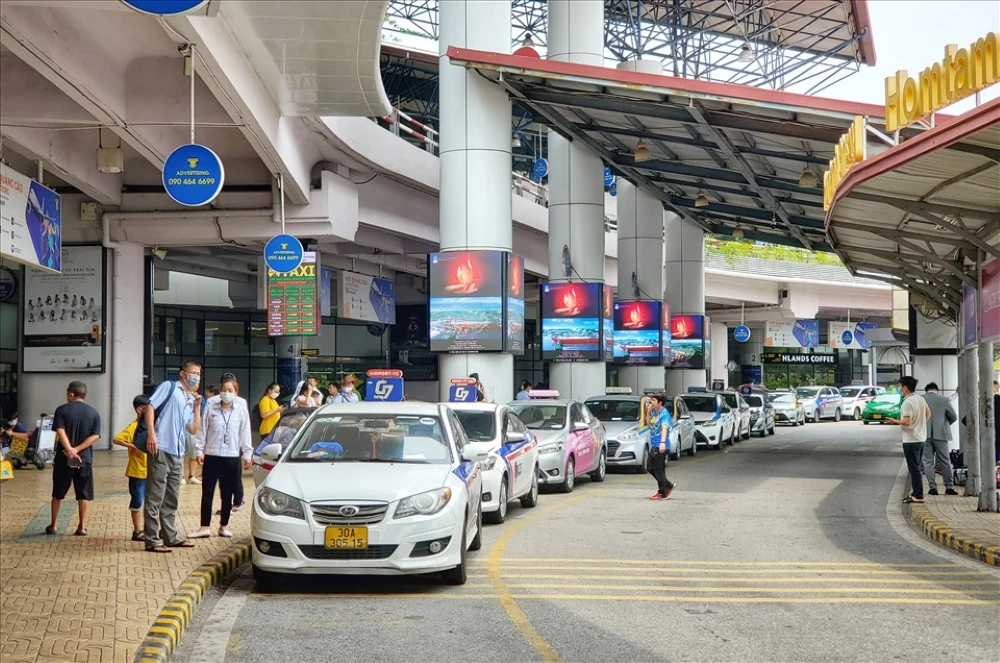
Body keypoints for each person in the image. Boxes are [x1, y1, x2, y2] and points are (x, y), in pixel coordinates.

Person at [144, 361, 203, 553]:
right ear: (183, 374)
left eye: (199, 373)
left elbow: (193, 428)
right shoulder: (169, 387)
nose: (196, 376)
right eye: (193, 372)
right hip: (161, 447)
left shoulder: (188, 398)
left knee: (171, 498)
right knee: (155, 496)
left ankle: (170, 537)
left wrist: (196, 407)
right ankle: (152, 540)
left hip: (178, 453)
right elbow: (150, 406)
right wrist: (152, 434)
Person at [191, 377, 253, 539]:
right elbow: (202, 429)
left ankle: (223, 526)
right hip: (212, 455)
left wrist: (247, 454)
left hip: (231, 456)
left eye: (230, 390)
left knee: (227, 494)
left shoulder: (241, 410)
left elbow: (245, 433)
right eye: (224, 390)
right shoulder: (212, 407)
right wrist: (199, 450)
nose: (227, 393)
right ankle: (204, 526)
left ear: (236, 392)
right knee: (207, 493)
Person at [46, 381, 101, 536]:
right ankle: (82, 527)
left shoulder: (61, 410)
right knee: (83, 494)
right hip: (84, 458)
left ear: (71, 394)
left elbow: (60, 430)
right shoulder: (94, 413)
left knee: (58, 492)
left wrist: (69, 449)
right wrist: (77, 450)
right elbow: (95, 436)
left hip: (64, 458)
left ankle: (53, 525)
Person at [887, 376, 931, 504]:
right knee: (917, 467)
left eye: (900, 386)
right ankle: (916, 493)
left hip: (911, 440)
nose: (900, 389)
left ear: (905, 387)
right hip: (921, 437)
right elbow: (928, 414)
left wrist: (894, 421)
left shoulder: (907, 402)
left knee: (914, 468)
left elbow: (907, 422)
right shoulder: (920, 399)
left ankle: (918, 495)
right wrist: (920, 424)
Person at [113, 395, 151, 541]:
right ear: (140, 409)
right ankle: (137, 530)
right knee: (137, 500)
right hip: (137, 472)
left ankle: (154, 529)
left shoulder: (152, 426)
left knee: (154, 501)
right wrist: (134, 446)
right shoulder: (134, 427)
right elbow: (117, 439)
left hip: (151, 471)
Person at [921, 383, 958, 496]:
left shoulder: (920, 400)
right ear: (937, 390)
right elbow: (954, 416)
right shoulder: (944, 400)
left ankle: (932, 488)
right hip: (941, 435)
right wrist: (945, 425)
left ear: (926, 390)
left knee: (927, 462)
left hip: (925, 435)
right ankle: (949, 487)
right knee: (945, 461)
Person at [183, 384, 216, 486]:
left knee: (194, 453)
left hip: (194, 428)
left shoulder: (201, 399)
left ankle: (191, 476)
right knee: (180, 453)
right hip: (182, 428)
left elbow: (204, 413)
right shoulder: (181, 395)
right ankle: (181, 476)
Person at [647, 394, 676, 501]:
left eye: (653, 400)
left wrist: (662, 442)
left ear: (660, 403)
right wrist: (648, 412)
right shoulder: (654, 412)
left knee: (658, 469)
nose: (651, 402)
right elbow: (648, 424)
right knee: (650, 467)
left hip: (662, 445)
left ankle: (662, 491)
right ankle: (667, 485)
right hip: (655, 444)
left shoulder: (664, 414)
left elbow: (664, 428)